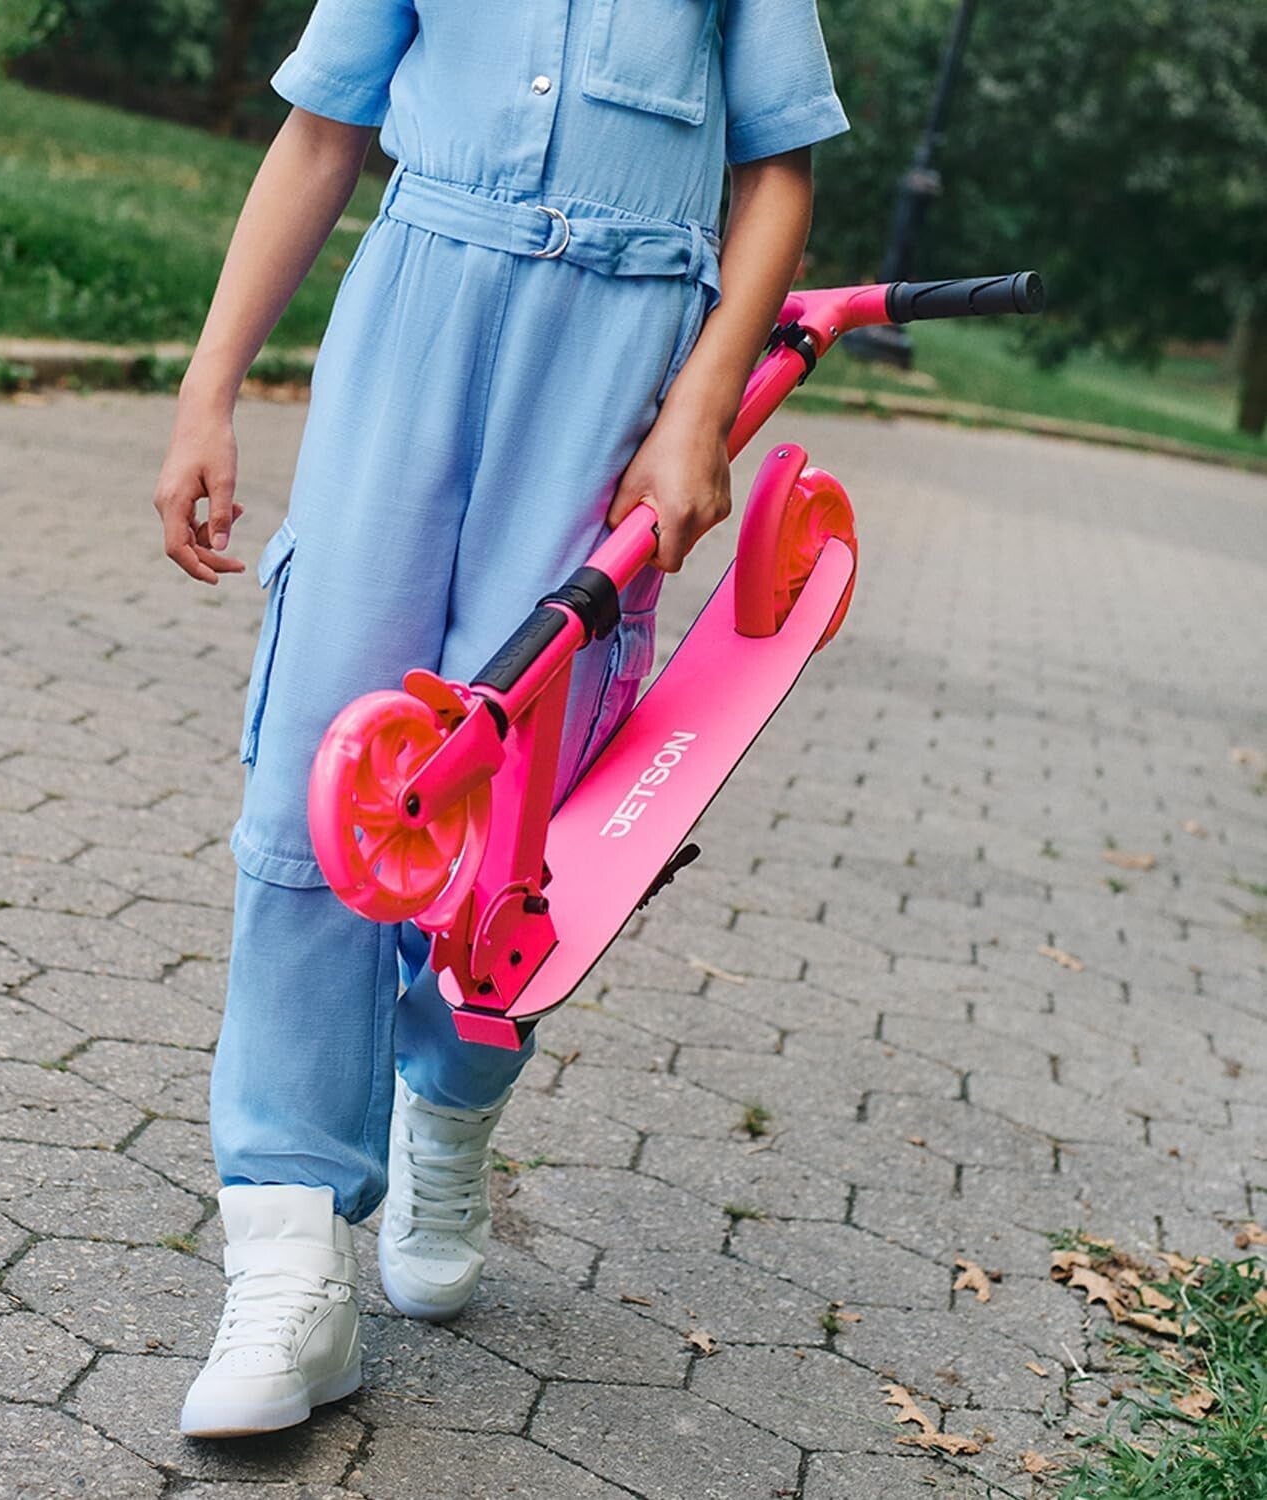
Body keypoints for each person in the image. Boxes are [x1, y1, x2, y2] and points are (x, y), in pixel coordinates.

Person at [151, 0, 847, 1439]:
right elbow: (325, 129)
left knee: (526, 812)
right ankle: (289, 1263)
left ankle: (450, 1109)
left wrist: (701, 404)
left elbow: (778, 169)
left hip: (614, 373)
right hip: (414, 319)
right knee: (323, 785)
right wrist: (208, 389)